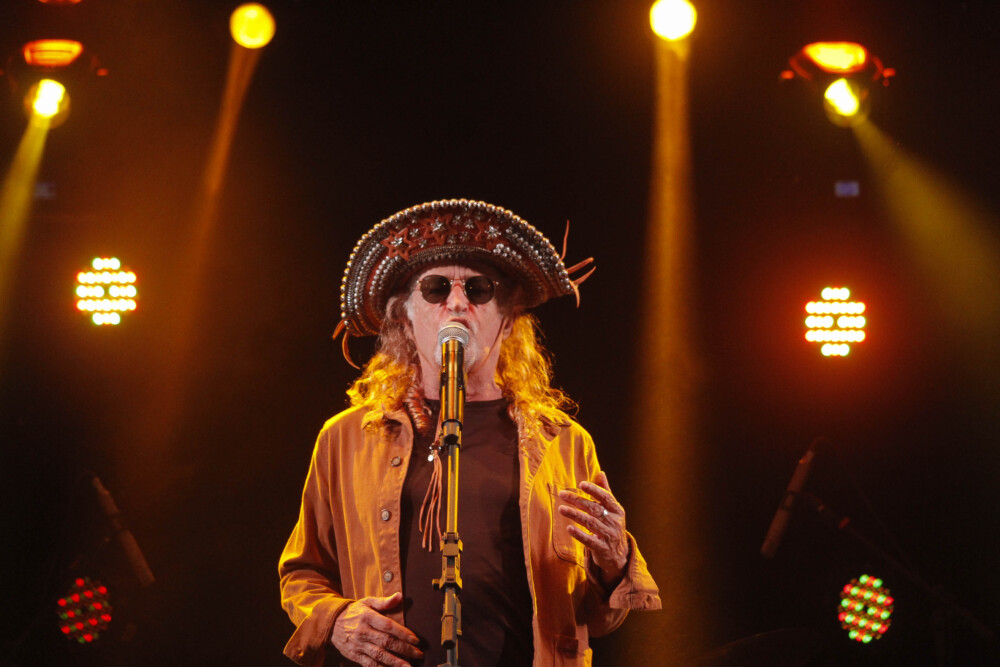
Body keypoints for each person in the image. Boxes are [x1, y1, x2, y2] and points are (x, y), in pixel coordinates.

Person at [279, 199, 660, 667]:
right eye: (435, 288)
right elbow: (302, 572)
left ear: (507, 318)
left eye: (478, 290)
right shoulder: (346, 438)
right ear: (405, 317)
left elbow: (598, 618)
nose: (457, 303)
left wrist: (614, 560)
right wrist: (335, 620)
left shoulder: (565, 442)